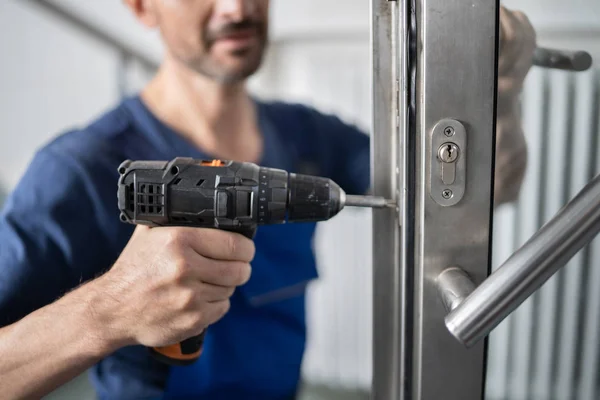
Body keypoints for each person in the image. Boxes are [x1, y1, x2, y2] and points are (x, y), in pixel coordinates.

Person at [0, 1, 536, 399]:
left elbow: (480, 192)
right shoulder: (77, 171)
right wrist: (110, 309)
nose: (237, 8)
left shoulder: (304, 134)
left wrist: (501, 87)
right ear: (142, 6)